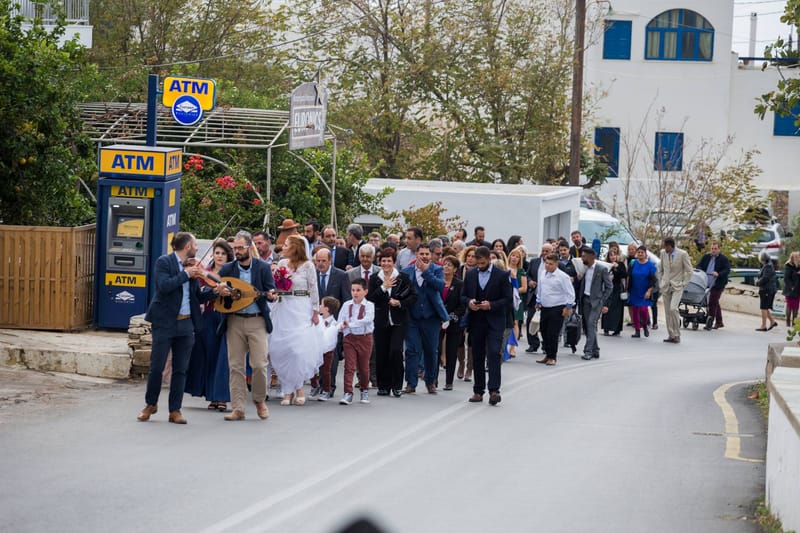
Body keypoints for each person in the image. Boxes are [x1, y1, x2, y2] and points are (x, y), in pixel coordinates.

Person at [137, 232, 218, 424]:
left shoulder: (192, 268)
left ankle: (175, 410)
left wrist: (214, 291)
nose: (197, 248)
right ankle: (150, 404)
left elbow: (196, 296)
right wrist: (185, 275)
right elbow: (164, 286)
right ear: (187, 246)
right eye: (195, 245)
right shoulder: (164, 262)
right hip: (164, 322)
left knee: (181, 369)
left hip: (185, 322)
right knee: (156, 367)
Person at [216, 230, 276, 421]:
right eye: (235, 248)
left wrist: (272, 295)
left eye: (240, 247)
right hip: (234, 320)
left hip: (257, 319)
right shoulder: (227, 269)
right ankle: (238, 407)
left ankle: (259, 400)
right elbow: (217, 290)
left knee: (259, 364)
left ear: (249, 248)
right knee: (235, 366)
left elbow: (270, 291)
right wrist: (221, 292)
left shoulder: (262, 268)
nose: (237, 251)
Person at [268, 234, 322, 406]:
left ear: (295, 247)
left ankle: (298, 388)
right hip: (284, 306)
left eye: (286, 245)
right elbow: (275, 285)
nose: (282, 247)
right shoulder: (282, 264)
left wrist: (315, 311)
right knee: (282, 349)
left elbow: (313, 288)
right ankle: (287, 389)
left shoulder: (308, 266)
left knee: (298, 349)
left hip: (301, 307)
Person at [184, 238, 233, 412]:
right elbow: (198, 293)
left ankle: (222, 397)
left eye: (223, 253)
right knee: (209, 357)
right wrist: (211, 289)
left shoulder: (232, 272)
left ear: (228, 256)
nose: (219, 256)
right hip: (210, 316)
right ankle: (212, 396)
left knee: (223, 359)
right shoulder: (205, 272)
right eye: (217, 253)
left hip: (226, 317)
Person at [463, 246, 513, 405]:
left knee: (493, 353)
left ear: (489, 259)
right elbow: (463, 295)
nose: (480, 265)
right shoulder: (470, 274)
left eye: (483, 263)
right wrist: (470, 302)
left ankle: (494, 390)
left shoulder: (501, 275)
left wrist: (490, 305)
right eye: (478, 263)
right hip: (476, 321)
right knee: (477, 355)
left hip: (495, 321)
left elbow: (508, 299)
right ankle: (478, 391)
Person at [368, 247, 417, 397]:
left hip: (398, 320)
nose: (386, 263)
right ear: (379, 262)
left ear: (394, 262)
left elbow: (413, 296)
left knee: (395, 351)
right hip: (381, 321)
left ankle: (397, 385)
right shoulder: (375, 278)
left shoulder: (403, 277)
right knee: (381, 352)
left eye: (389, 260)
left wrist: (400, 303)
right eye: (383, 261)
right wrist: (384, 287)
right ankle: (383, 385)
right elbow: (371, 298)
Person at [402, 242, 448, 394]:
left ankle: (430, 381)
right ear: (416, 255)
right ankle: (411, 383)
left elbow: (440, 286)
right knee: (412, 350)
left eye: (427, 254)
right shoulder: (407, 271)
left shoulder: (437, 269)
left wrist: (426, 271)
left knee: (431, 351)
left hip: (431, 317)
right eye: (421, 254)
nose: (424, 256)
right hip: (412, 317)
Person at [313, 246, 351, 398]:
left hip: (333, 321)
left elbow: (346, 298)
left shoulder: (340, 276)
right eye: (318, 261)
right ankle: (318, 384)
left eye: (323, 261)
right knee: (316, 353)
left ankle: (329, 386)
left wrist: (341, 321)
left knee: (331, 355)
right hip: (316, 320)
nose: (320, 264)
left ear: (330, 261)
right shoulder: (313, 275)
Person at [339, 279, 375, 405]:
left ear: (365, 291)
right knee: (349, 366)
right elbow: (341, 319)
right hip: (350, 338)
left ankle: (364, 390)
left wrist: (351, 324)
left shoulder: (369, 305)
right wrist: (342, 326)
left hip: (364, 338)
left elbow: (367, 319)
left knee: (364, 367)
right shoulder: (346, 305)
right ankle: (347, 392)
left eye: (358, 290)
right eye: (353, 290)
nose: (355, 293)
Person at [535, 254, 575, 366]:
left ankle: (553, 356)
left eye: (550, 264)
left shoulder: (562, 277)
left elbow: (570, 293)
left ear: (556, 264)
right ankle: (547, 354)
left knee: (553, 333)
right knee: (543, 331)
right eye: (546, 263)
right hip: (545, 306)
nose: (547, 266)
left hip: (557, 307)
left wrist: (568, 307)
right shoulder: (543, 273)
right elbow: (541, 289)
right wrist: (538, 301)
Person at [577, 246, 613, 360]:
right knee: (588, 326)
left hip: (596, 302)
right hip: (585, 300)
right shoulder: (583, 268)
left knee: (591, 324)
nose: (582, 258)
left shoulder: (601, 269)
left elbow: (609, 287)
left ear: (591, 257)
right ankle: (595, 350)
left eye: (584, 256)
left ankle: (588, 351)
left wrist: (602, 300)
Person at [657, 237, 693, 344]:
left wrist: (684, 284)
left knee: (673, 309)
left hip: (677, 286)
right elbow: (661, 269)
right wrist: (661, 282)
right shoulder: (663, 253)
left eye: (665, 246)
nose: (664, 248)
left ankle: (677, 334)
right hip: (666, 286)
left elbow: (689, 271)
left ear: (670, 246)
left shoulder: (683, 254)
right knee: (667, 312)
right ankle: (671, 335)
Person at [439, 255, 466, 390]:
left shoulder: (459, 284)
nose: (446, 267)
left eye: (449, 265)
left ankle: (449, 381)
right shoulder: (437, 281)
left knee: (451, 351)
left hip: (453, 321)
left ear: (455, 269)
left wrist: (452, 316)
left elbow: (462, 305)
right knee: (436, 349)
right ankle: (433, 380)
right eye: (445, 264)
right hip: (437, 321)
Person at [525, 243, 553, 353]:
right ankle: (533, 343)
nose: (545, 253)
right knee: (530, 320)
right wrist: (529, 281)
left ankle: (546, 345)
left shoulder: (557, 264)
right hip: (534, 296)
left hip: (548, 299)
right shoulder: (534, 262)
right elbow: (527, 275)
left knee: (546, 323)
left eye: (547, 251)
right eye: (543, 250)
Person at [696, 241, 731, 330]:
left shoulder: (723, 259)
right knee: (715, 302)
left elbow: (727, 270)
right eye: (712, 248)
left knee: (712, 302)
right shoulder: (706, 257)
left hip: (717, 284)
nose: (713, 250)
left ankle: (710, 321)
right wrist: (701, 271)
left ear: (719, 249)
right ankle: (719, 322)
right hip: (706, 282)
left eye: (715, 249)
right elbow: (699, 266)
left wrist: (718, 273)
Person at [628, 245, 658, 338]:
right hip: (634, 290)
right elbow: (629, 276)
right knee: (635, 310)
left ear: (645, 254)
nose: (640, 254)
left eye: (642, 252)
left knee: (644, 310)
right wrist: (628, 289)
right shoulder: (633, 263)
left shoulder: (650, 265)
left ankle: (645, 325)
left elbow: (653, 280)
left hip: (645, 290)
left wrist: (649, 291)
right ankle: (637, 330)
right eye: (639, 252)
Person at [315, 296, 340, 401]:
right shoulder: (318, 319)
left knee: (327, 370)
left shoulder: (334, 323)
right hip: (317, 348)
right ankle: (315, 386)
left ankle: (327, 389)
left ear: (327, 309)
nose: (319, 306)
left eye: (321, 304)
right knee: (314, 368)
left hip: (329, 350)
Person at [601, 248, 628, 336]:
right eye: (611, 255)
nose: (613, 257)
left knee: (617, 309)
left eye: (614, 255)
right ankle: (606, 328)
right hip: (607, 289)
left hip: (617, 288)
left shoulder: (620, 264)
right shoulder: (606, 265)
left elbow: (624, 275)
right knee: (607, 306)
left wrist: (617, 267)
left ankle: (617, 329)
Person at [507, 247, 527, 357]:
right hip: (505, 300)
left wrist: (514, 290)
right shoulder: (505, 269)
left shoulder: (521, 271)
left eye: (517, 257)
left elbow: (524, 288)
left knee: (515, 323)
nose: (514, 258)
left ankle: (513, 348)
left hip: (516, 300)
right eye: (513, 256)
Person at [756, 252, 779, 331]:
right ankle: (772, 321)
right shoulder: (767, 265)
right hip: (766, 289)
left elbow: (765, 278)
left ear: (762, 259)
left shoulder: (768, 266)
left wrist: (757, 282)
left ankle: (763, 325)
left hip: (767, 289)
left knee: (764, 307)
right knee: (764, 307)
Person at [783, 251, 800, 327]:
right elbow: (786, 278)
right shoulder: (788, 266)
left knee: (796, 306)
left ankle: (794, 323)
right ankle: (788, 322)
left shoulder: (799, 266)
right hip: (790, 290)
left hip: (798, 289)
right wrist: (791, 287)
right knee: (789, 306)